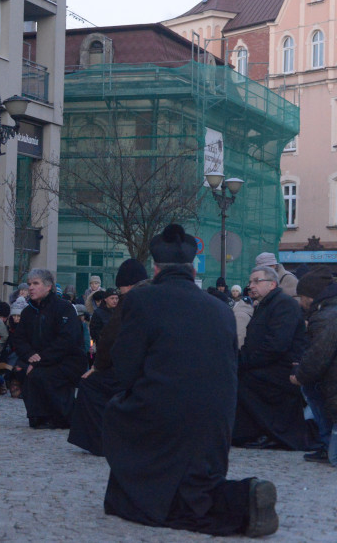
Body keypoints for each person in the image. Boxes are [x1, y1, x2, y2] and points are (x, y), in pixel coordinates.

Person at [102, 224, 278, 538]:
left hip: (163, 412)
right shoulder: (220, 308)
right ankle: (244, 497)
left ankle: (147, 492)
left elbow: (125, 368)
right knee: (199, 485)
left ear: (155, 269)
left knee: (119, 418)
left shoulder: (142, 301)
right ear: (192, 268)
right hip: (217, 420)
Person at [68, 257, 148, 456]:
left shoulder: (131, 300)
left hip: (133, 370)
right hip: (154, 366)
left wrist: (98, 366)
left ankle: (100, 441)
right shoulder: (157, 296)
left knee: (91, 385)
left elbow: (111, 337)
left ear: (126, 285)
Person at [232, 265, 308, 450]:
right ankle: (250, 433)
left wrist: (246, 362)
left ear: (272, 284)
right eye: (250, 282)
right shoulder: (266, 304)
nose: (251, 285)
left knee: (246, 383)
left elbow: (277, 345)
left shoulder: (284, 304)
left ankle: (267, 433)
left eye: (257, 281)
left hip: (280, 369)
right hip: (264, 364)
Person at [9, 268, 86, 429]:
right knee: (21, 371)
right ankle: (38, 415)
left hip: (66, 360)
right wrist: (30, 355)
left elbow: (67, 341)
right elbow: (19, 338)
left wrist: (40, 359)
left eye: (36, 283)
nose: (31, 287)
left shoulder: (64, 308)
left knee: (43, 375)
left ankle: (60, 416)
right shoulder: (28, 312)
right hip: (38, 359)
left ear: (48, 286)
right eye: (29, 284)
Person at [292, 267, 337, 466]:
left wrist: (300, 375)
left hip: (331, 381)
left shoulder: (325, 316)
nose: (300, 302)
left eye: (301, 296)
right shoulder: (328, 310)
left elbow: (318, 354)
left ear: (310, 296)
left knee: (311, 390)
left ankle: (326, 444)